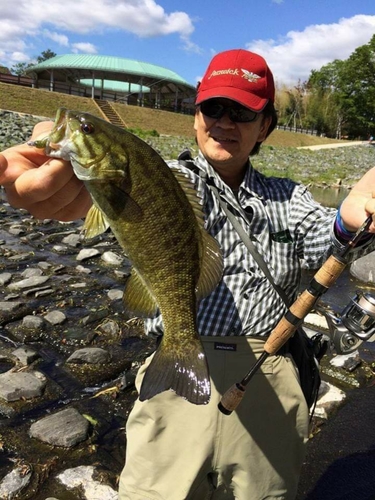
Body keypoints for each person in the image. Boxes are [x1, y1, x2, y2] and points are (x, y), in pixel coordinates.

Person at [1, 49, 375, 500]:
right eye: (212, 107)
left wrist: (351, 221)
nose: (223, 121)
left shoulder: (290, 197)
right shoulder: (166, 173)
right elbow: (90, 192)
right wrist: (52, 148)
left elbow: (325, 239)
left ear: (266, 126)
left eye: (241, 111)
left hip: (268, 375)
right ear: (196, 115)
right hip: (173, 376)